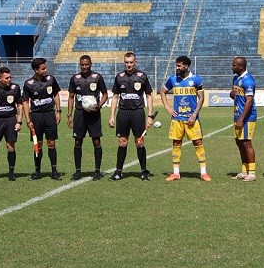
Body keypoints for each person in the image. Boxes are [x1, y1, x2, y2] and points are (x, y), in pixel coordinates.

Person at [160, 55, 211, 181]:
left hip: (191, 119)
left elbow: (201, 98)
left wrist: (194, 114)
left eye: (179, 66)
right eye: (176, 65)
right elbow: (163, 91)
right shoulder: (172, 79)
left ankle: (203, 172)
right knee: (176, 143)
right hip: (177, 119)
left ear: (186, 66)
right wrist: (167, 107)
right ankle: (176, 173)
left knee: (198, 143)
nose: (176, 68)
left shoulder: (196, 79)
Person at [108, 51, 155, 181]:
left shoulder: (142, 76)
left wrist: (150, 115)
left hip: (138, 112)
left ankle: (144, 171)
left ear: (135, 62)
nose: (129, 65)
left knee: (139, 142)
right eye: (126, 62)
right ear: (124, 62)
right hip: (123, 112)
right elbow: (116, 96)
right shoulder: (119, 77)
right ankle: (118, 171)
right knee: (122, 142)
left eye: (131, 62)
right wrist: (112, 116)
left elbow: (149, 95)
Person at [66, 54, 109, 180]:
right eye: (82, 65)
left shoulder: (97, 77)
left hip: (94, 114)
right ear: (80, 65)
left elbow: (105, 94)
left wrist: (99, 105)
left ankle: (97, 171)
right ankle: (78, 171)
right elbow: (71, 97)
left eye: (87, 64)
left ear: (91, 64)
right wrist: (69, 115)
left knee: (96, 142)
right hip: (79, 113)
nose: (84, 67)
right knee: (78, 142)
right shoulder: (75, 78)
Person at [21, 57, 62, 180]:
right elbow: (25, 102)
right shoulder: (28, 84)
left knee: (51, 143)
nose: (46, 70)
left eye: (45, 67)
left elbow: (56, 94)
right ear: (36, 70)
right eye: (43, 68)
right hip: (36, 116)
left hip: (49, 114)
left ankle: (54, 171)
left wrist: (58, 111)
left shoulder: (51, 80)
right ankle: (37, 172)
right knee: (37, 144)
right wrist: (28, 120)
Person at [230, 56, 258, 181]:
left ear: (241, 66)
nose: (232, 67)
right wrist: (232, 94)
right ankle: (244, 170)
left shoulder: (248, 80)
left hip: (247, 117)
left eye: (234, 65)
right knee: (239, 142)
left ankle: (251, 172)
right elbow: (235, 95)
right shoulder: (236, 78)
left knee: (246, 142)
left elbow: (249, 102)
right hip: (237, 115)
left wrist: (241, 119)